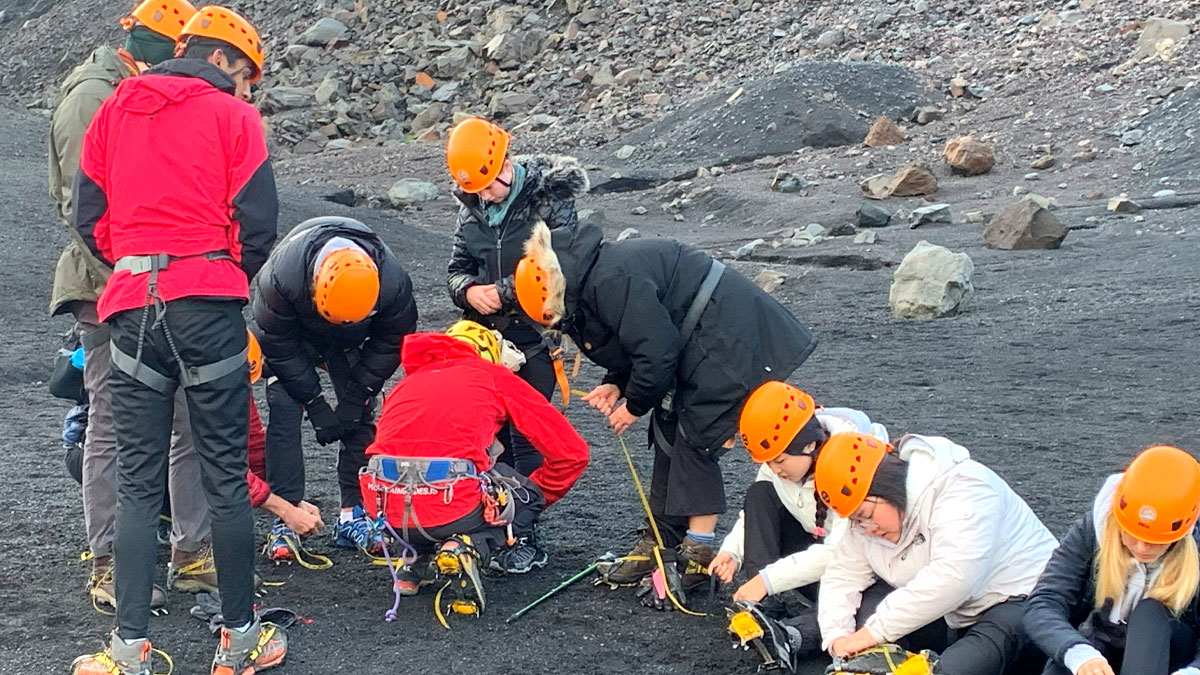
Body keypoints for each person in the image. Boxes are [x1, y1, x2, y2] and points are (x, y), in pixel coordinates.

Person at [70, 6, 284, 675]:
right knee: (223, 477)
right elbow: (258, 225)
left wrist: (137, 259)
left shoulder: (117, 106)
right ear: (223, 59)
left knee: (137, 484)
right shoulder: (235, 118)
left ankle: (128, 652)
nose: (248, 90)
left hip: (132, 307)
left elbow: (88, 215)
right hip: (207, 306)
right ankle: (240, 642)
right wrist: (216, 270)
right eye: (248, 75)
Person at [512, 221, 817, 590]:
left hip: (728, 337)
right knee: (668, 431)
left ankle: (696, 554)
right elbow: (634, 340)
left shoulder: (609, 280)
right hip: (698, 337)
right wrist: (615, 383)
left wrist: (634, 406)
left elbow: (656, 353)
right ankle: (660, 539)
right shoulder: (587, 278)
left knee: (697, 437)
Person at [47, 0, 217, 615]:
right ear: (162, 46)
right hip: (107, 290)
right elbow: (84, 211)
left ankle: (190, 553)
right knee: (115, 421)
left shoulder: (143, 91)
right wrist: (135, 275)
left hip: (164, 286)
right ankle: (111, 562)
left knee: (188, 420)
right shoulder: (94, 98)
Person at [777, 431, 1057, 675]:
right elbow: (843, 574)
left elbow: (954, 577)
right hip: (952, 613)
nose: (867, 528)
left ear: (887, 487)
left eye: (866, 515)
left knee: (977, 651)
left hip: (1023, 601)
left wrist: (873, 632)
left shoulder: (965, 487)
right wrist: (838, 638)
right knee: (866, 616)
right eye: (856, 521)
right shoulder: (865, 523)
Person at [359, 321, 588, 607]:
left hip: (387, 512)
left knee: (420, 468)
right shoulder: (493, 376)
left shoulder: (405, 384)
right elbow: (572, 452)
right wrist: (534, 496)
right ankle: (466, 546)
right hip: (451, 506)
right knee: (512, 487)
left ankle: (414, 560)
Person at [252, 216, 417, 559]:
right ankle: (287, 514)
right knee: (283, 407)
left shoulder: (393, 284)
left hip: (353, 340)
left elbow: (391, 342)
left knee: (361, 414)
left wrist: (356, 395)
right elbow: (278, 344)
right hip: (297, 337)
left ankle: (353, 514)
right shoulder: (280, 279)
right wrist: (314, 402)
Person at [445, 117, 589, 476]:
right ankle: (497, 522)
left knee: (527, 433)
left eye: (487, 187)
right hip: (487, 339)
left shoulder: (550, 199)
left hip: (536, 338)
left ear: (505, 165)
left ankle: (524, 522)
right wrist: (468, 292)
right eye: (475, 189)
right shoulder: (471, 210)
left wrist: (501, 292)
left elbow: (562, 264)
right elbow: (456, 270)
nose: (483, 196)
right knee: (490, 434)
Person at [713, 382, 889, 665]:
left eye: (779, 460)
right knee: (759, 495)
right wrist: (732, 552)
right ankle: (763, 608)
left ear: (808, 444)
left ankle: (789, 635)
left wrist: (768, 580)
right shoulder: (785, 457)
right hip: (814, 560)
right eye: (767, 462)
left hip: (856, 572)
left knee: (866, 602)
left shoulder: (853, 465)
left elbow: (841, 553)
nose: (774, 469)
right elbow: (755, 510)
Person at [1025, 445, 1200, 675]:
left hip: (1171, 652)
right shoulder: (1094, 527)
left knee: (1151, 614)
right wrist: (1079, 654)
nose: (1141, 547)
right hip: (1100, 643)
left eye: (1155, 540)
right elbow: (1044, 601)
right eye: (1131, 535)